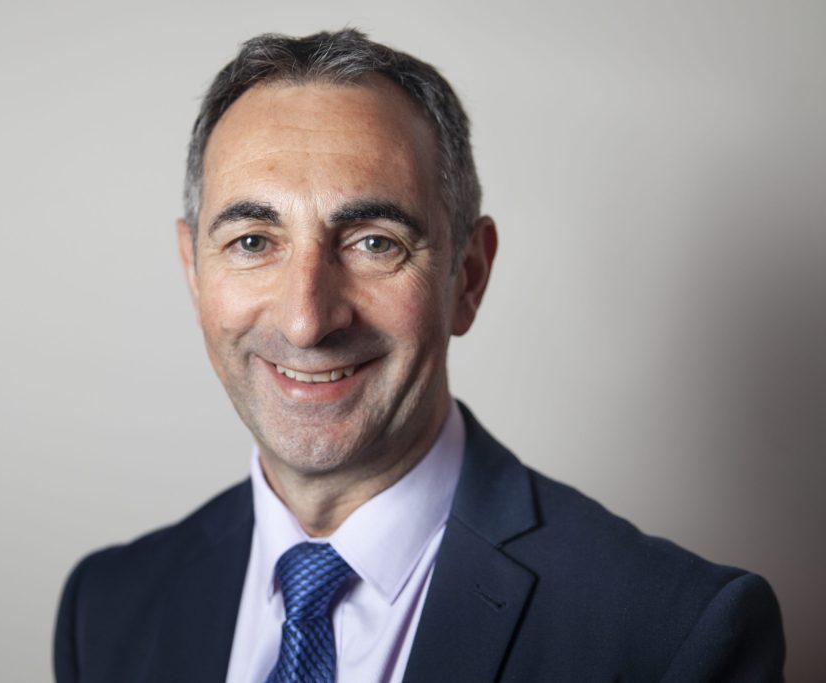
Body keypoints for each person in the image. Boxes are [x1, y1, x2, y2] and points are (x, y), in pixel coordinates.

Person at [53, 29, 785, 682]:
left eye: (374, 242)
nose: (308, 319)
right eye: (253, 242)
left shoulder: (675, 638)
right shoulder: (108, 611)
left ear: (468, 277)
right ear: (194, 270)